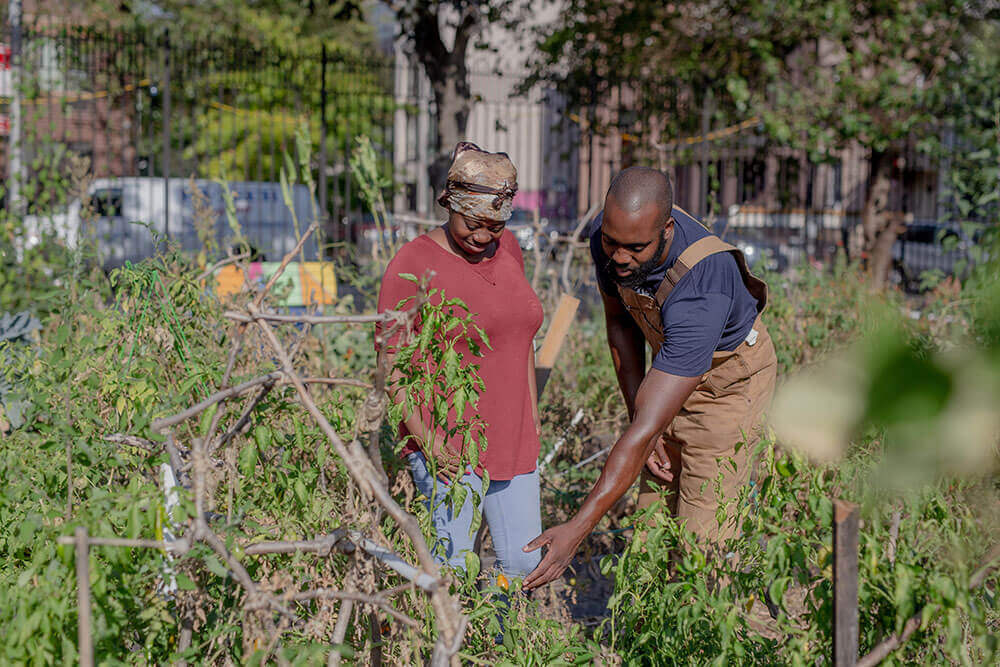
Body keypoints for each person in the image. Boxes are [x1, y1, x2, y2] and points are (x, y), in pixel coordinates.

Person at [523, 166, 777, 590]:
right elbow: (620, 323)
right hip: (670, 372)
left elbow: (644, 428)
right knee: (650, 529)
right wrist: (640, 414)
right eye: (611, 242)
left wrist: (577, 529)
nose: (619, 257)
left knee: (702, 547)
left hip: (725, 393)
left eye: (635, 248)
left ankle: (703, 636)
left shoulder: (702, 285)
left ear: (666, 230)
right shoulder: (611, 243)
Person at [376, 141, 544, 578]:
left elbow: (519, 336)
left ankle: (506, 647)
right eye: (473, 223)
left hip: (514, 435)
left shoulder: (509, 251)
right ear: (449, 202)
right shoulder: (413, 263)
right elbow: (390, 366)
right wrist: (428, 442)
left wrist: (533, 412)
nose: (484, 236)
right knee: (452, 570)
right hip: (450, 443)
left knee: (523, 563)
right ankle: (453, 645)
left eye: (495, 225)